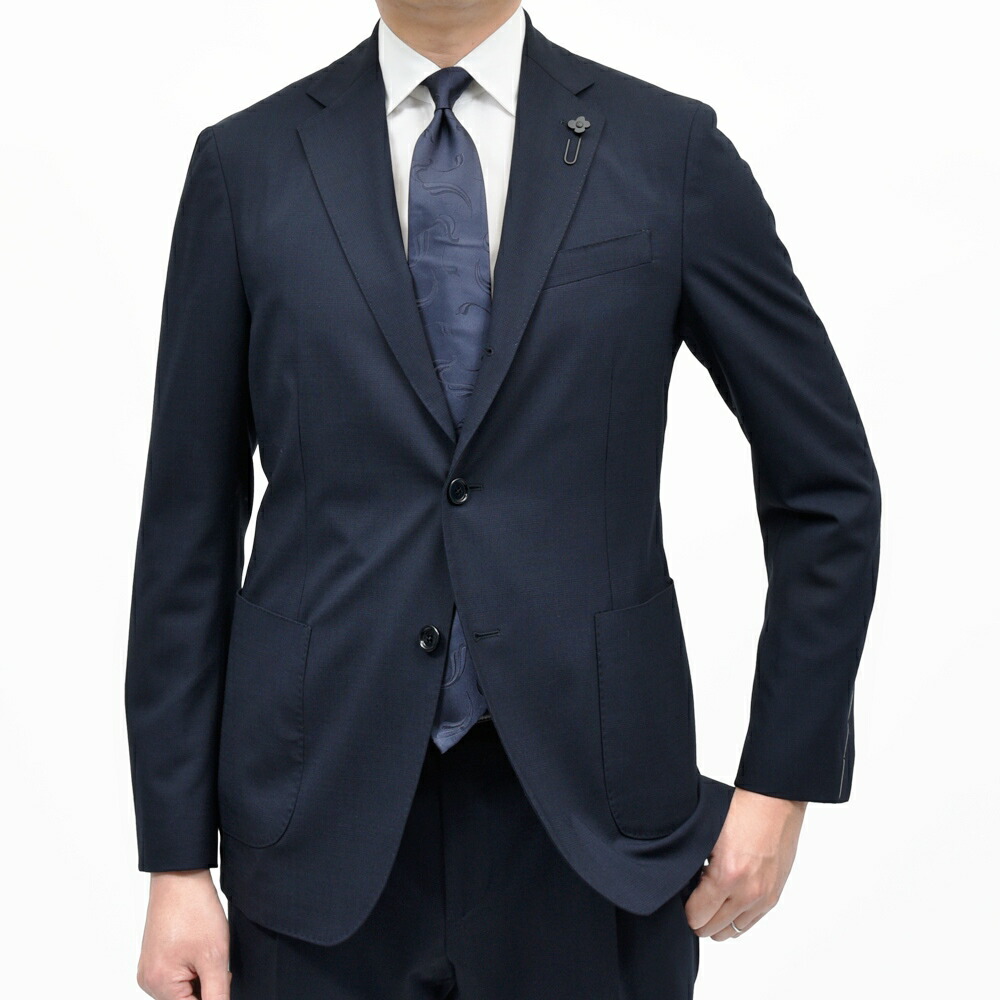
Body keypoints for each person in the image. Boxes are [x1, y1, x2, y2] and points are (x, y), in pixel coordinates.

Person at [124, 2, 881, 997]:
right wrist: (177, 862)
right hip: (315, 827)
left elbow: (826, 485)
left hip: (595, 830)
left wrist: (781, 782)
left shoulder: (667, 151)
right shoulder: (247, 165)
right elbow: (185, 531)